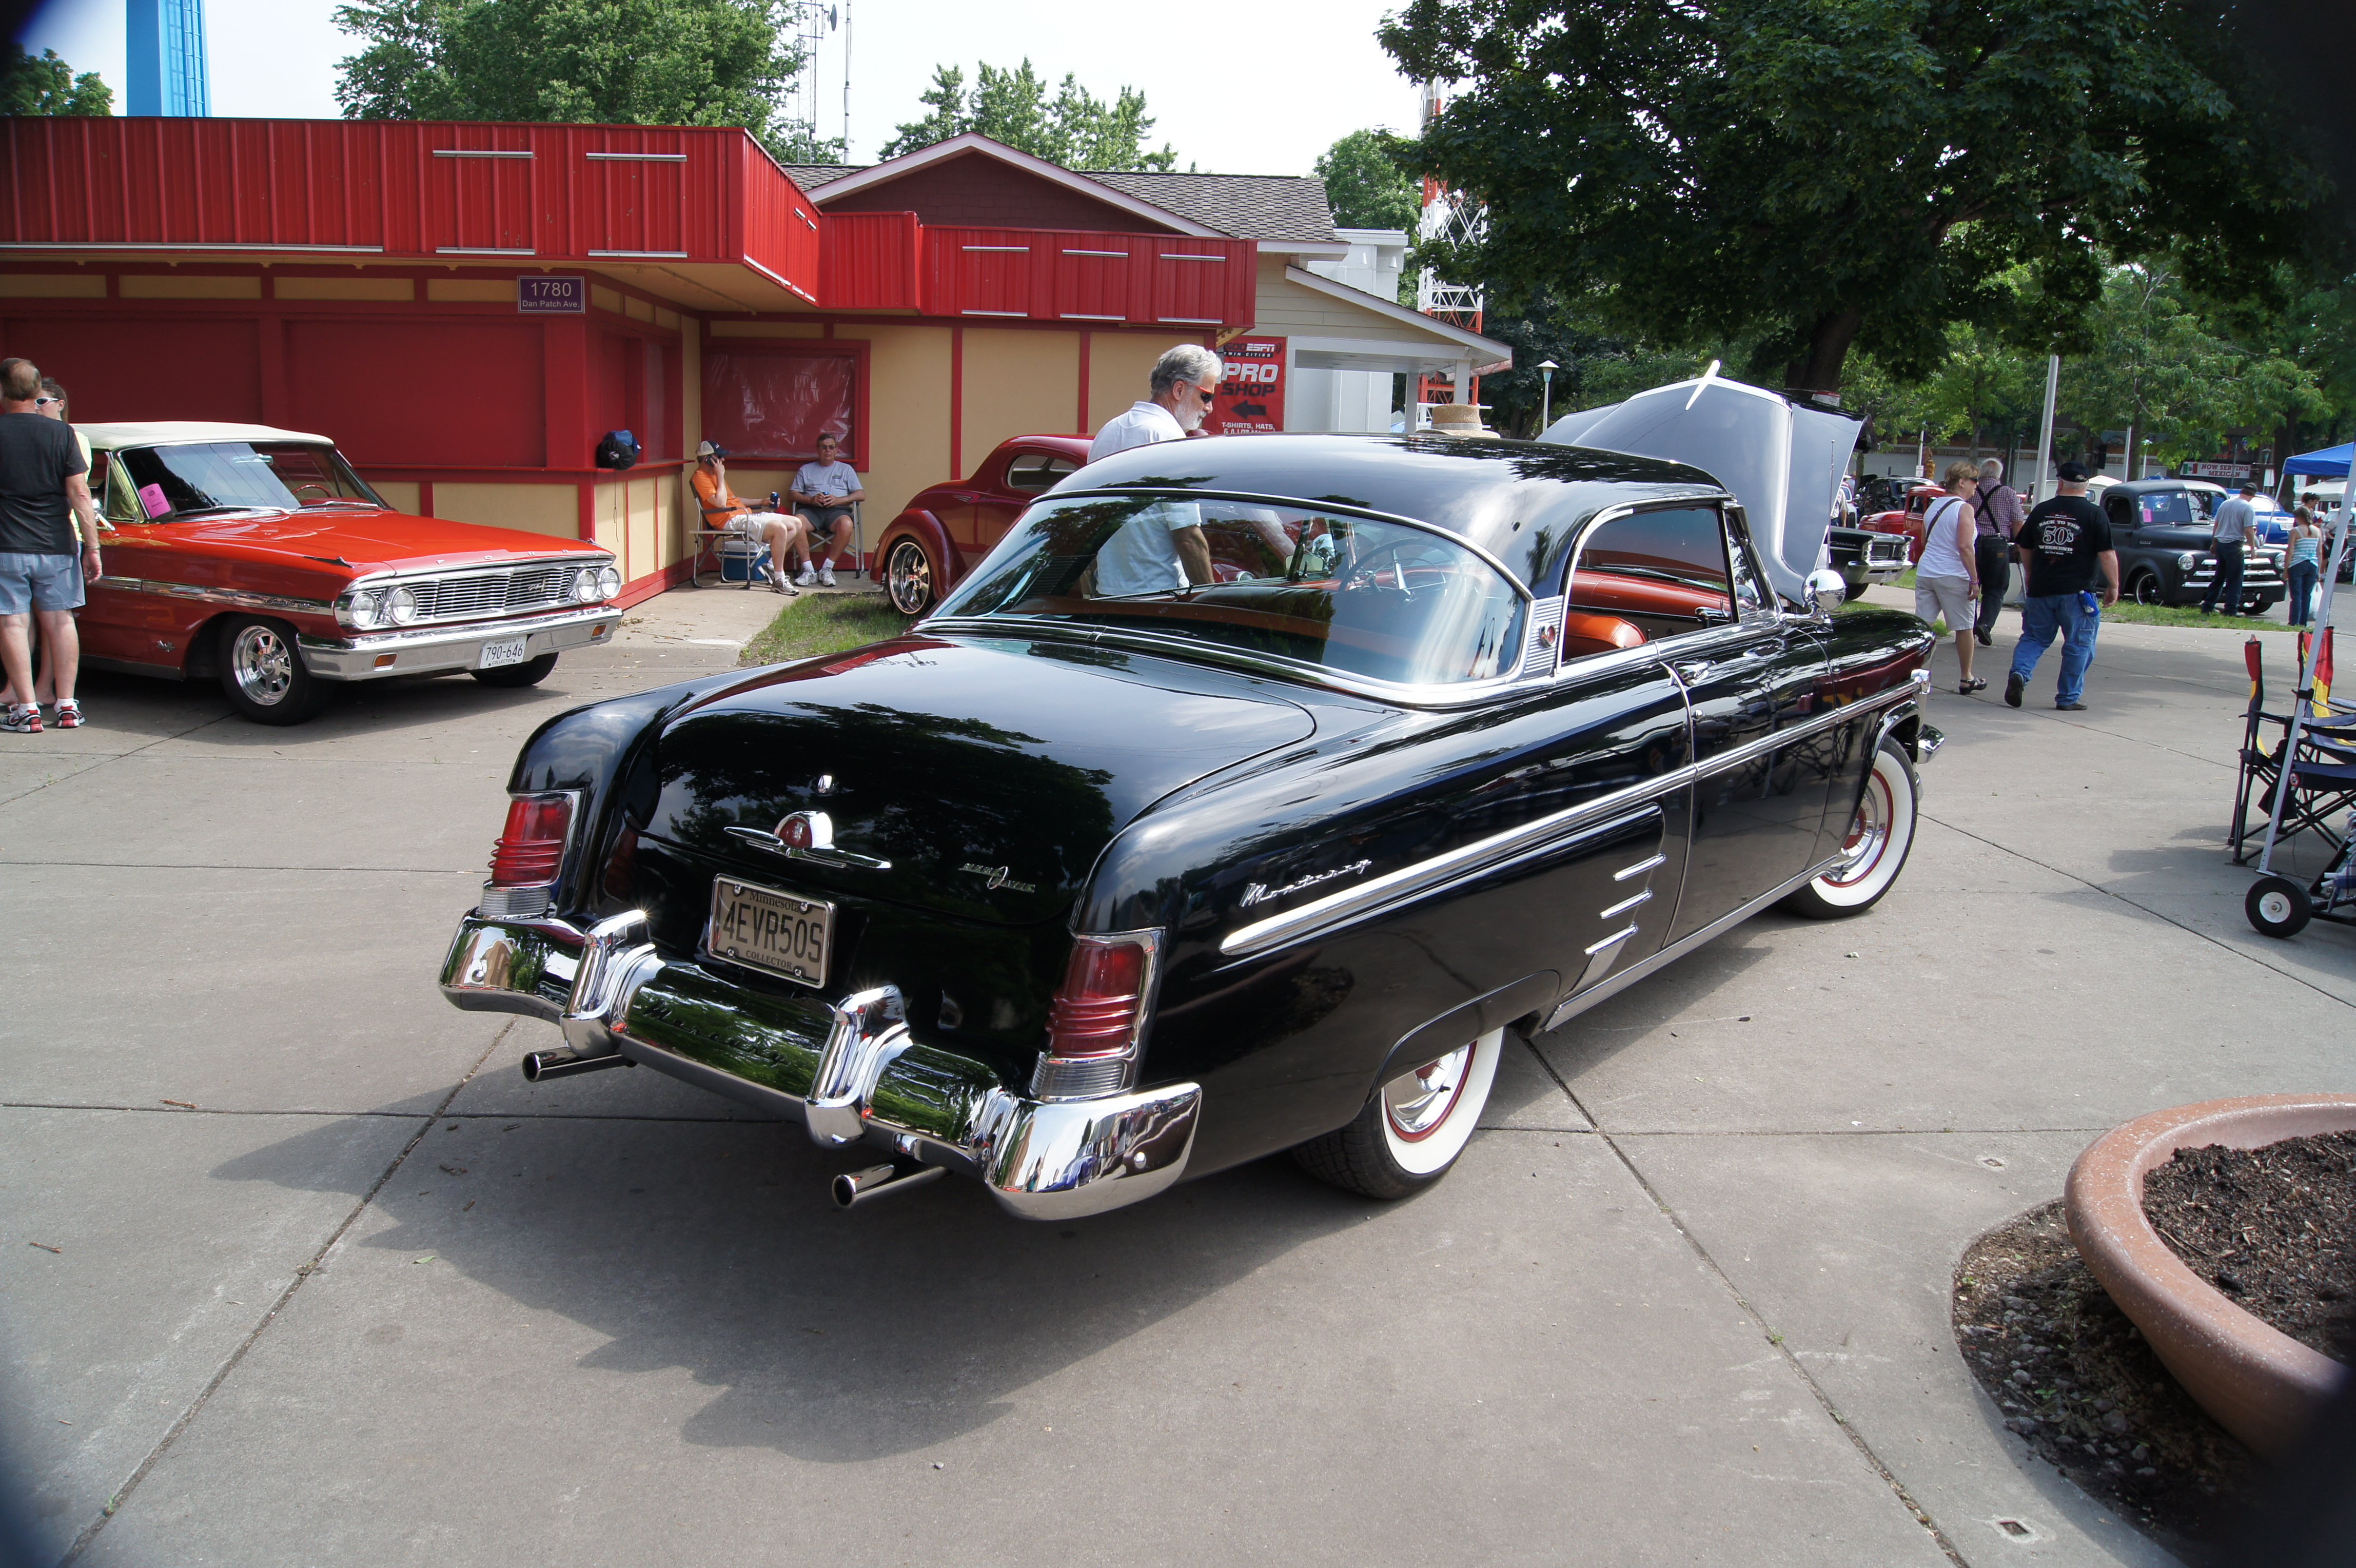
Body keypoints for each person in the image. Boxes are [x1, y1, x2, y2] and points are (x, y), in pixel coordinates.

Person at [0, 358, 100, 733]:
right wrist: (92, 547)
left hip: (7, 543)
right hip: (57, 542)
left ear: (3, 391)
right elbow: (79, 492)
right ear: (36, 389)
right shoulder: (64, 435)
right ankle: (68, 704)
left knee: (12, 623)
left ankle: (26, 709)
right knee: (61, 621)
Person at [1084, 344, 1226, 596]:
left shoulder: (1108, 432)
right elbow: (1187, 536)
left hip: (1108, 593)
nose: (1209, 408)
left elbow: (1093, 522)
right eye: (1207, 396)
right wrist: (1213, 601)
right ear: (1180, 389)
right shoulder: (1171, 440)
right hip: (1160, 596)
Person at [2005, 461, 2117, 712]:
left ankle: (2020, 674)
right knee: (2079, 645)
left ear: (2061, 482)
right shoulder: (2095, 514)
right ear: (2086, 484)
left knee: (2034, 637)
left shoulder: (2042, 510)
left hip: (2041, 590)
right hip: (2078, 594)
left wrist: (2033, 575)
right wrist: (2114, 585)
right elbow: (2107, 553)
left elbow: (2025, 546)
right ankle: (2068, 697)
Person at [691, 441, 800, 594]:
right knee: (779, 529)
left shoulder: (715, 476)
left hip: (742, 514)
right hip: (728, 521)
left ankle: (771, 566)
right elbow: (721, 502)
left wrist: (761, 502)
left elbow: (734, 500)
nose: (723, 461)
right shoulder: (700, 477)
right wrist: (721, 476)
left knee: (796, 523)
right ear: (708, 459)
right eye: (719, 457)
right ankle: (779, 579)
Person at [1914, 460, 1984, 693]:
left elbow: (1925, 540)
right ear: (1962, 482)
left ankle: (1914, 671)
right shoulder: (1964, 508)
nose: (1977, 486)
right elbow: (1965, 546)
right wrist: (1974, 579)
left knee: (1924, 625)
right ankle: (1966, 676)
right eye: (1974, 481)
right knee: (1964, 627)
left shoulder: (1934, 506)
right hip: (1952, 573)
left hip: (1927, 572)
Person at [788, 433, 865, 587]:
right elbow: (792, 494)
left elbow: (861, 494)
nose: (828, 451)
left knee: (847, 524)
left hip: (837, 511)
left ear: (837, 450)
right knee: (796, 523)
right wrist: (811, 499)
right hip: (811, 511)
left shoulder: (846, 469)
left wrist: (839, 500)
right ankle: (808, 570)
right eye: (824, 448)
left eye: (831, 447)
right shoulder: (806, 469)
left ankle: (827, 569)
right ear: (818, 450)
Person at [1970, 458, 2024, 645]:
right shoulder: (2008, 493)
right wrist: (2019, 545)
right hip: (1998, 545)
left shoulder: (1971, 491)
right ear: (1999, 475)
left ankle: (1967, 628)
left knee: (1971, 586)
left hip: (1972, 544)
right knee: (1996, 588)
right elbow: (2018, 522)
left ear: (1981, 473)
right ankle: (1985, 624)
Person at [2201, 481, 2259, 615]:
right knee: (2235, 579)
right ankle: (2231, 609)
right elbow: (2249, 530)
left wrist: (2214, 543)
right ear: (2253, 495)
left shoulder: (2226, 504)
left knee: (2219, 577)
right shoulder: (2248, 507)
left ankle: (2208, 606)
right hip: (2234, 545)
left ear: (2242, 492)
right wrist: (2253, 547)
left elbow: (2217, 525)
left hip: (2221, 543)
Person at [2287, 502, 2323, 626]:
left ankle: (2294, 621)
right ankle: (2303, 622)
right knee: (2306, 595)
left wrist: (2286, 568)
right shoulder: (2317, 531)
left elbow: (2290, 551)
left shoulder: (2296, 531)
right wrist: (2319, 570)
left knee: (2296, 595)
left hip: (2297, 563)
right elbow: (2319, 552)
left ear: (2299, 518)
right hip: (2312, 564)